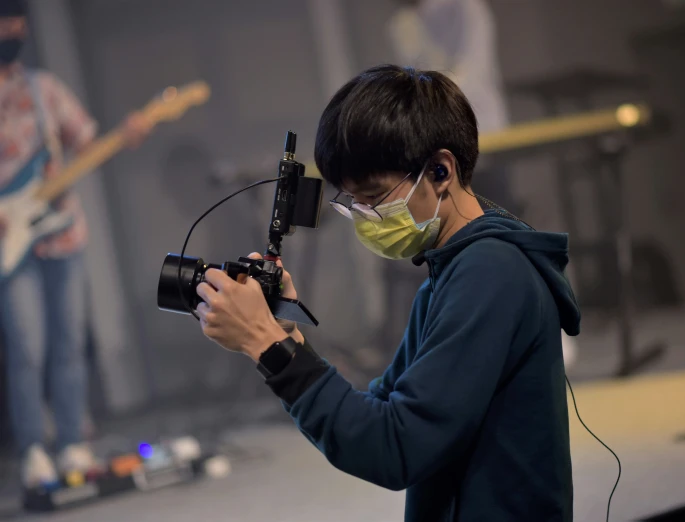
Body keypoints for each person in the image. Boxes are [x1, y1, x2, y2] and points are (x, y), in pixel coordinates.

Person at [195, 65, 579, 521]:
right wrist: (286, 337)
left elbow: (396, 447)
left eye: (375, 196)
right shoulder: (453, 273)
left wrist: (266, 345)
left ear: (441, 169)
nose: (364, 216)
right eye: (352, 202)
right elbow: (382, 411)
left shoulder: (491, 273)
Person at [0, 0, 150, 488]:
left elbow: (86, 144)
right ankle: (32, 449)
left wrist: (124, 135)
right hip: (10, 242)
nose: (14, 29)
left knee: (68, 343)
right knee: (26, 346)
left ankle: (71, 443)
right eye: (6, 19)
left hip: (62, 231)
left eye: (18, 19)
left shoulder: (44, 90)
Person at [389, 0, 579, 369]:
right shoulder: (402, 21)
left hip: (482, 137)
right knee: (449, 246)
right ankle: (475, 342)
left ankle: (549, 327)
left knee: (500, 234)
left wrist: (427, 90)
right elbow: (411, 81)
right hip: (434, 146)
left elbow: (466, 76)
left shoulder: (465, 7)